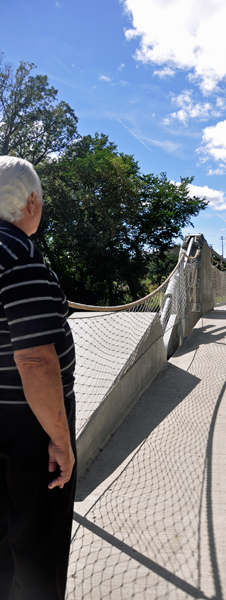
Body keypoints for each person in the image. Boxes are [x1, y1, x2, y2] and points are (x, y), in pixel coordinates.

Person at [0, 156, 76, 600]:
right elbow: (34, 361)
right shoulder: (18, 253)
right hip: (26, 429)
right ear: (30, 202)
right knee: (37, 550)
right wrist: (61, 441)